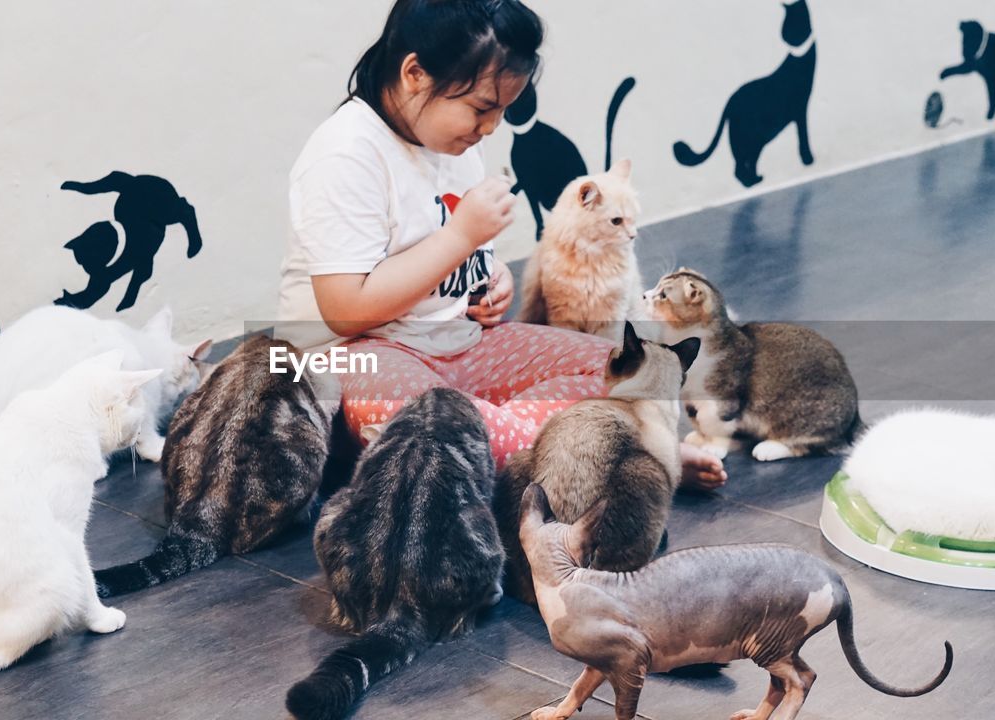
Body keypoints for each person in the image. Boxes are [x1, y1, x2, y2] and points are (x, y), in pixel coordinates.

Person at [276, 0, 725, 489]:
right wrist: (460, 236)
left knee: (628, 369)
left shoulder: (455, 141)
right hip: (354, 357)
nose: (491, 128)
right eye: (482, 108)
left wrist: (489, 280)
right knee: (437, 424)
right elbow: (345, 308)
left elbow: (450, 265)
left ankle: (557, 444)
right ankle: (616, 454)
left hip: (458, 346)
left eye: (502, 112)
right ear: (414, 75)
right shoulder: (346, 152)